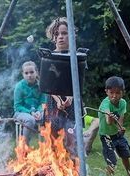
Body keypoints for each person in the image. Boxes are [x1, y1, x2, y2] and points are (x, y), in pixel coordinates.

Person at [45, 17, 77, 157]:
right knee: (53, 140)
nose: (60, 37)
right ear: (53, 37)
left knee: (72, 139)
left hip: (72, 102)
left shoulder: (76, 56)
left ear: (71, 34)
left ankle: (75, 173)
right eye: (57, 34)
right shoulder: (49, 57)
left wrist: (70, 97)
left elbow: (77, 81)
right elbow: (48, 84)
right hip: (53, 103)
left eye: (64, 33)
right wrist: (58, 100)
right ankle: (55, 173)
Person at [98, 76, 130, 176]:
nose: (114, 96)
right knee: (112, 161)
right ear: (106, 92)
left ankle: (129, 175)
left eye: (118, 93)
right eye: (111, 93)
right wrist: (110, 117)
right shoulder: (105, 104)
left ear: (123, 92)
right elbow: (108, 122)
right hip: (106, 136)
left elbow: (120, 121)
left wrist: (121, 128)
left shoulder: (123, 103)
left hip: (117, 135)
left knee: (126, 154)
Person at [13, 61, 47, 145]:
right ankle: (24, 147)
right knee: (30, 120)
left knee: (50, 117)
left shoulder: (41, 85)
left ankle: (49, 147)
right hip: (21, 113)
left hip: (38, 112)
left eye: (32, 72)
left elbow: (43, 102)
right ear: (23, 74)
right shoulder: (19, 87)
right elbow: (18, 106)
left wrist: (39, 111)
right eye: (26, 73)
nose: (29, 75)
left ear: (36, 72)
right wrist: (31, 112)